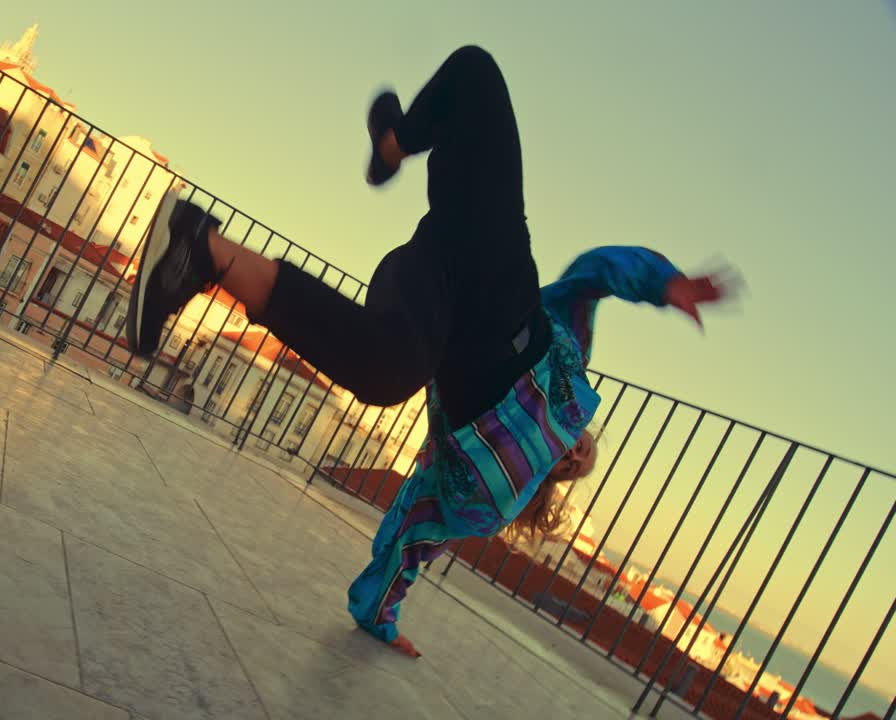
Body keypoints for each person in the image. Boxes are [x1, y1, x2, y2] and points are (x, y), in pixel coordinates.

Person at [125, 45, 735, 657]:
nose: (577, 457)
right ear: (587, 434)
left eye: (572, 468)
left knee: (391, 374)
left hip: (433, 307)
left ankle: (204, 252)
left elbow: (409, 537)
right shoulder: (572, 363)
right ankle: (392, 142)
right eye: (586, 453)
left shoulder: (482, 500)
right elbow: (597, 272)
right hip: (499, 270)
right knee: (479, 75)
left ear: (551, 482)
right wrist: (667, 284)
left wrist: (378, 618)